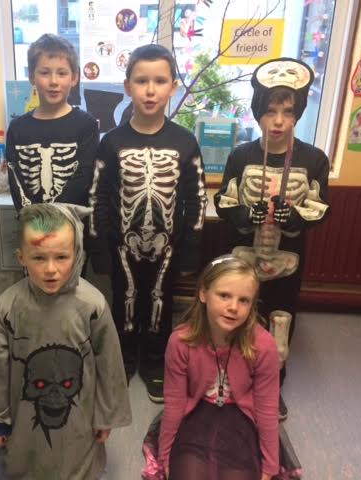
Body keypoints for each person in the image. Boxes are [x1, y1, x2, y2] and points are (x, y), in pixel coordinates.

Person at [88, 43, 208, 402]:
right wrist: (99, 248)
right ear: (128, 86)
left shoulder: (185, 141)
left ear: (173, 86)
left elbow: (197, 198)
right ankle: (123, 358)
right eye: (141, 81)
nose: (150, 90)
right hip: (121, 244)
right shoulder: (112, 142)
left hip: (167, 245)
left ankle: (155, 361)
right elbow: (98, 197)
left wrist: (191, 248)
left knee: (161, 301)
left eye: (160, 81)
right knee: (123, 300)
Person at [214, 57, 330, 419]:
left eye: (287, 112)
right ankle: (232, 376)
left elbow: (320, 208)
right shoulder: (240, 155)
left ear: (298, 114)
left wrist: (292, 216)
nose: (278, 121)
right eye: (270, 111)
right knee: (238, 315)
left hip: (287, 259)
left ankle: (272, 383)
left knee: (281, 320)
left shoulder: (314, 160)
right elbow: (225, 201)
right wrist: (246, 215)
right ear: (257, 113)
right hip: (243, 258)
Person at [0, 203, 131, 479]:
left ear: (77, 255)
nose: (51, 269)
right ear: (21, 257)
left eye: (61, 257)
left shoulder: (92, 305)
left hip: (80, 413)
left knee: (76, 450)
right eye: (39, 258)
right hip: (23, 413)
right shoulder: (8, 305)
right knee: (27, 452)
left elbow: (109, 365)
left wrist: (105, 415)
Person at [158, 255, 280, 480]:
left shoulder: (264, 346)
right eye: (224, 295)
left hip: (241, 416)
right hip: (196, 412)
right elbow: (174, 402)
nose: (233, 307)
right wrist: (164, 457)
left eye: (244, 300)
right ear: (203, 294)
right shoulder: (180, 341)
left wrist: (270, 467)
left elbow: (267, 408)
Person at [6, 33, 99, 210]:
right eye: (44, 73)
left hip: (73, 222)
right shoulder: (17, 129)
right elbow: (15, 180)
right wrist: (34, 219)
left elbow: (84, 177)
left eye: (62, 73)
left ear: (74, 77)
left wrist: (53, 217)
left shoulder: (87, 125)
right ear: (31, 77)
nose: (54, 81)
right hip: (31, 222)